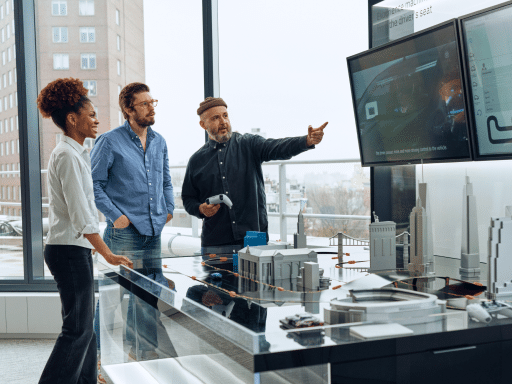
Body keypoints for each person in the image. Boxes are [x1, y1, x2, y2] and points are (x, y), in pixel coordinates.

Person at [36, 78, 132, 384]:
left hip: (73, 249)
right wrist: (107, 253)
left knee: (85, 327)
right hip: (67, 250)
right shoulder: (66, 156)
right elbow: (81, 215)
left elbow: (86, 209)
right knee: (76, 329)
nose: (97, 120)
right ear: (72, 119)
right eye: (91, 115)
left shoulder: (77, 153)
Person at [90, 82, 175, 360]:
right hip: (124, 232)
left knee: (148, 294)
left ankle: (140, 350)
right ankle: (94, 356)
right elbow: (95, 185)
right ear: (128, 109)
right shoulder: (109, 141)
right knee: (115, 296)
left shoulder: (159, 141)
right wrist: (117, 216)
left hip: (154, 229)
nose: (152, 108)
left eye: (153, 102)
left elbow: (166, 181)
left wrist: (169, 208)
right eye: (145, 104)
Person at [182, 97, 327, 251]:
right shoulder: (196, 161)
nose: (223, 122)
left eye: (225, 115)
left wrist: (306, 141)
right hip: (214, 244)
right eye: (215, 118)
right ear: (203, 124)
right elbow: (188, 198)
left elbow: (276, 147)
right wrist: (200, 209)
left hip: (253, 240)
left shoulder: (248, 144)